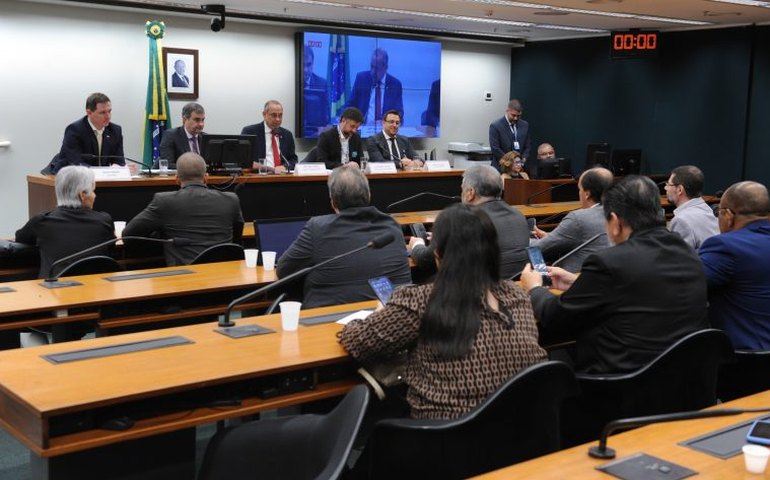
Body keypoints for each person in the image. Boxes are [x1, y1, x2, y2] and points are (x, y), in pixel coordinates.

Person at [340, 203, 547, 420]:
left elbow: (359, 342)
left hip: (446, 441)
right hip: (521, 432)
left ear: (437, 253)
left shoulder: (420, 301)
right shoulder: (518, 296)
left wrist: (380, 314)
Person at [520, 175, 708, 374]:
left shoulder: (609, 262)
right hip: (684, 379)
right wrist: (578, 281)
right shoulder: (687, 253)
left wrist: (535, 288)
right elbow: (641, 289)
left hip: (620, 387)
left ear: (615, 222)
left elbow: (556, 317)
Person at [276, 167, 411, 308]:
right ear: (369, 195)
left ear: (333, 203)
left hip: (329, 323)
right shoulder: (392, 226)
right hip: (388, 320)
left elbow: (284, 270)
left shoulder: (317, 228)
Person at [122, 152, 244, 266]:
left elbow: (129, 235)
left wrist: (160, 239)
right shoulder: (231, 199)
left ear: (177, 179)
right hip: (224, 271)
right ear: (206, 177)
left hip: (185, 275)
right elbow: (237, 236)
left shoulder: (164, 201)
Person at [410, 165, 530, 279]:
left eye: (462, 189)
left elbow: (426, 260)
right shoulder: (518, 215)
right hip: (515, 289)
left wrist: (417, 244)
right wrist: (446, 237)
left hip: (479, 294)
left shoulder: (465, 220)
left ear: (470, 193)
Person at [699, 181, 770, 350]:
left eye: (718, 213)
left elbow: (686, 282)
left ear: (729, 216)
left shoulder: (725, 246)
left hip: (741, 362)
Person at [15, 166, 115, 278]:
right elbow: (111, 248)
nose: (95, 195)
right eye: (93, 191)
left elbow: (20, 238)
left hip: (54, 290)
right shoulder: (104, 220)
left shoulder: (41, 221)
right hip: (96, 289)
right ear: (82, 195)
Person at [530, 167, 613, 273]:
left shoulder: (578, 218)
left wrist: (522, 240)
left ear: (587, 194)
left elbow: (540, 247)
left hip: (572, 279)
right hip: (605, 275)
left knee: (533, 259)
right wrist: (549, 236)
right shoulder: (618, 212)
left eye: (579, 189)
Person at [52, 92, 125, 173]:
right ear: (89, 112)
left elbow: (119, 162)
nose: (108, 116)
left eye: (109, 111)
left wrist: (123, 169)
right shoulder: (75, 130)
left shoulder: (115, 130)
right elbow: (76, 163)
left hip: (100, 180)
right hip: (69, 178)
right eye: (102, 112)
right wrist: (102, 172)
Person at [345, 48, 404, 128]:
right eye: (371, 66)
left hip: (385, 130)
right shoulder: (361, 79)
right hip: (363, 128)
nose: (372, 71)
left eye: (376, 68)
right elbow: (350, 105)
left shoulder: (395, 84)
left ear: (385, 67)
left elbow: (399, 112)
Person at [665, 165, 719, 250]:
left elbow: (677, 259)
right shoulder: (706, 209)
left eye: (668, 184)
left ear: (680, 190)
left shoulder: (681, 220)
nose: (665, 188)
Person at [241, 100, 298, 173]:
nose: (278, 119)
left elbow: (293, 160)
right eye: (274, 115)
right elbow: (243, 161)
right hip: (258, 177)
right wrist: (270, 169)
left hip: (282, 177)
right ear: (264, 115)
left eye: (280, 115)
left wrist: (284, 166)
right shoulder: (250, 132)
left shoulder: (287, 134)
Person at [489, 99, 531, 174]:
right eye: (513, 115)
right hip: (501, 169)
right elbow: (495, 149)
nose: (516, 118)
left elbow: (527, 147)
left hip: (519, 169)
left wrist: (522, 161)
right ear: (507, 111)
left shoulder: (525, 125)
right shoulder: (496, 126)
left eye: (518, 116)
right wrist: (510, 163)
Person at [159, 102, 205, 168]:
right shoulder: (171, 136)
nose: (201, 124)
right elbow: (167, 165)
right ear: (184, 119)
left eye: (202, 120)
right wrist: (194, 169)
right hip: (182, 177)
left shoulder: (206, 138)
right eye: (196, 120)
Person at [302, 48, 330, 137]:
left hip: (315, 132)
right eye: (303, 65)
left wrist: (323, 127)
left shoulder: (322, 83)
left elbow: (326, 114)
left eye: (309, 65)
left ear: (313, 63)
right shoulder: (290, 82)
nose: (305, 69)